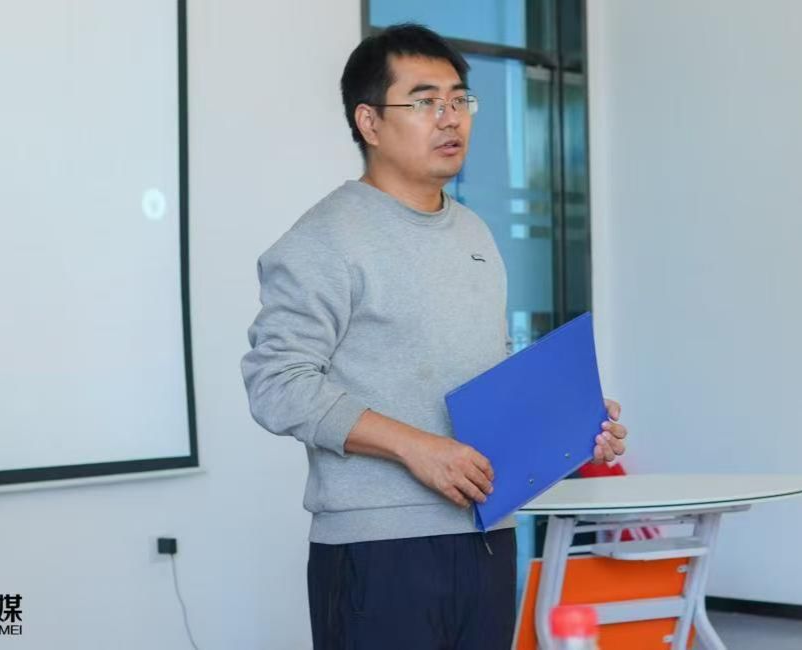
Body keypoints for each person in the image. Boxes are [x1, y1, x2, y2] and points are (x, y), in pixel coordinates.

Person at [240, 23, 628, 649]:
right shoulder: (324, 239)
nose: (450, 118)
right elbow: (276, 383)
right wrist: (414, 448)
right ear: (369, 122)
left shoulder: (474, 232)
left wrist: (571, 423)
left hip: (487, 535)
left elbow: (485, 370)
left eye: (459, 99)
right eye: (424, 102)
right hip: (379, 549)